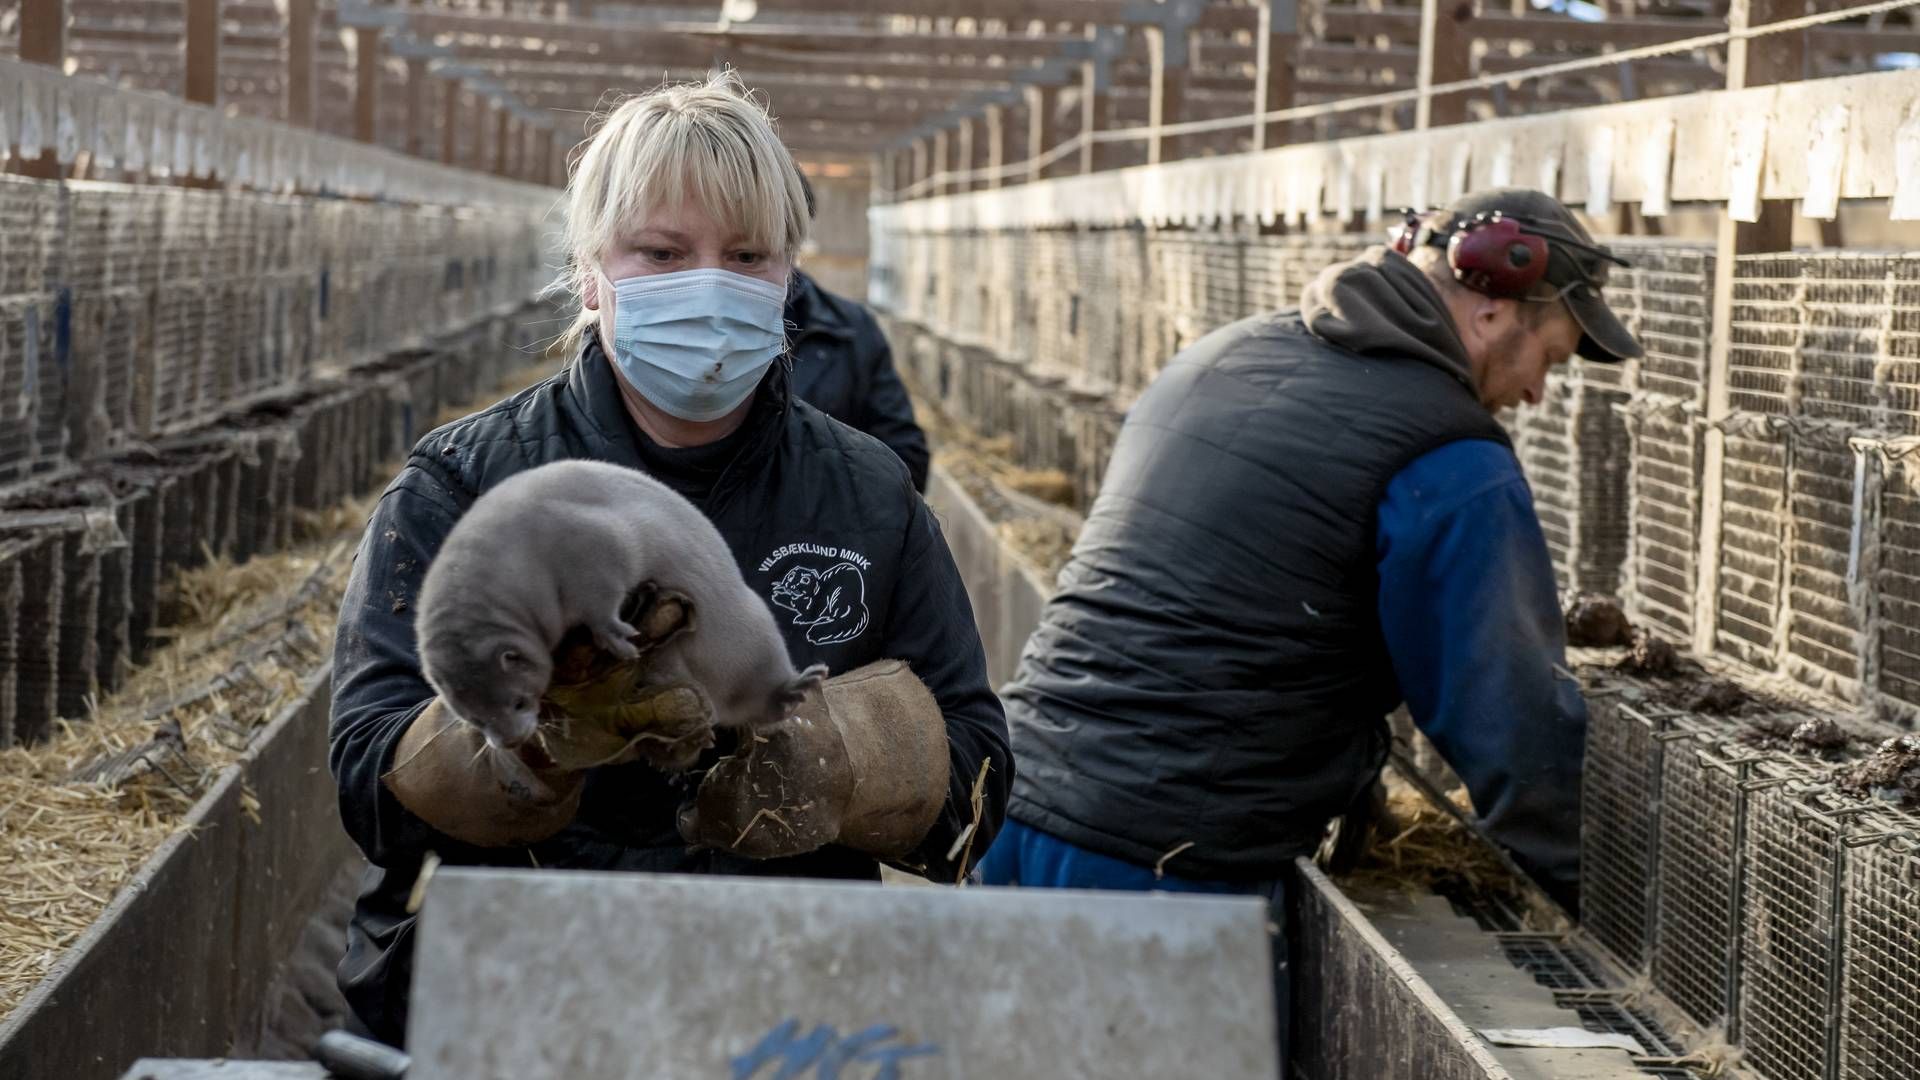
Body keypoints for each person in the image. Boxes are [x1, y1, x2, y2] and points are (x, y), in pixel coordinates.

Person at [327, 73, 1011, 1046]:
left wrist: (840, 759)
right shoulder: (467, 485)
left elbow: (976, 786)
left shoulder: (866, 496)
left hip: (783, 1002)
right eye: (660, 252)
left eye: (746, 256)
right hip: (513, 986)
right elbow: (365, 776)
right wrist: (516, 744)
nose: (710, 285)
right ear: (591, 267)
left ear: (789, 279)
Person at [976, 188, 1642, 1062]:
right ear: (1490, 306)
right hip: (1168, 876)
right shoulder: (1449, 457)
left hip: (1012, 816)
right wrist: (1586, 916)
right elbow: (1508, 719)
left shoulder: (1220, 357)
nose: (1537, 392)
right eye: (1546, 356)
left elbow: (1246, 611)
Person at [786, 176, 931, 491]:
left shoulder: (850, 330)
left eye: (748, 253)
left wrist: (810, 494)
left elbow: (908, 459)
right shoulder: (671, 330)